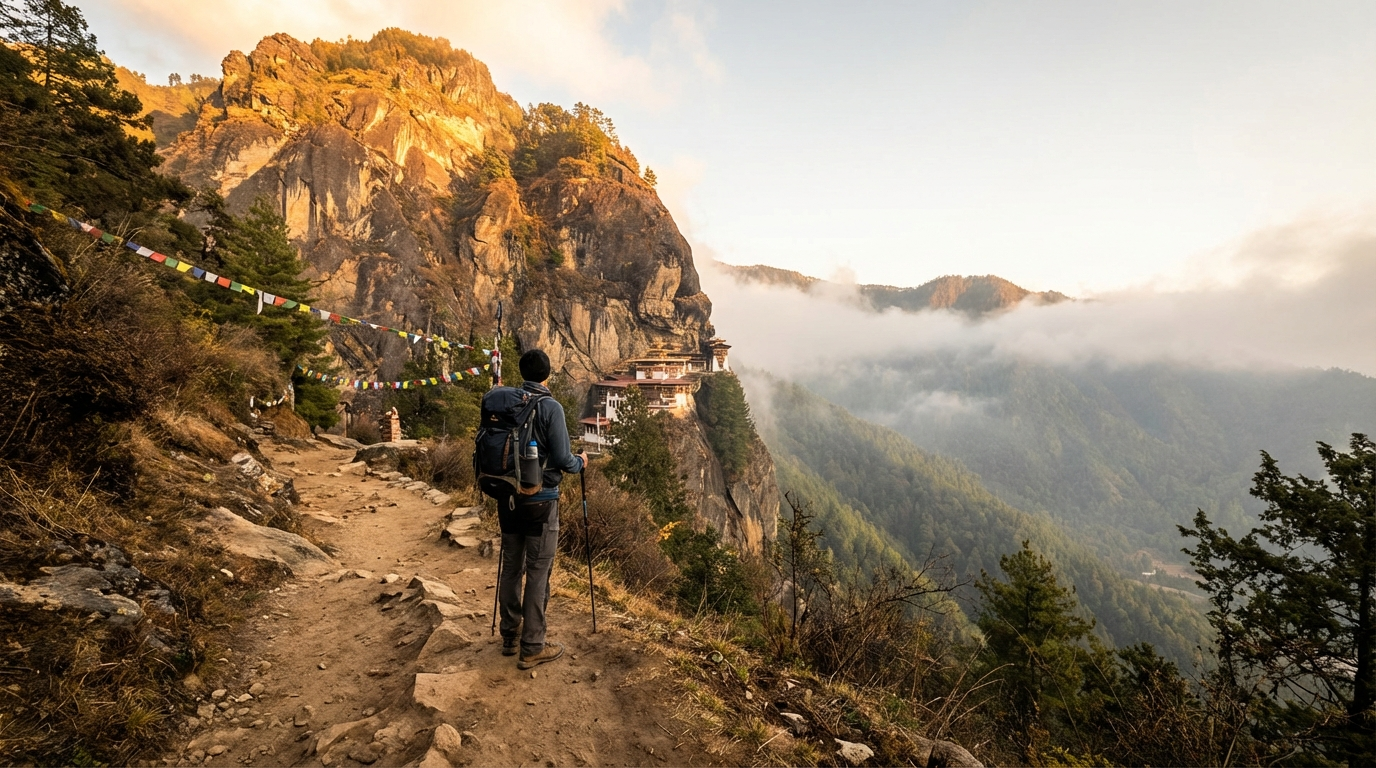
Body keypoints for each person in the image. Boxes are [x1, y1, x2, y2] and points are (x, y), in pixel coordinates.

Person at [498, 349, 587, 670]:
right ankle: (533, 645)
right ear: (548, 374)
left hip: (507, 498)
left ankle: (509, 635)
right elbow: (564, 459)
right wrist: (581, 462)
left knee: (511, 566)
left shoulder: (506, 401)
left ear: (522, 372)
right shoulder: (550, 407)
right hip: (541, 500)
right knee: (537, 569)